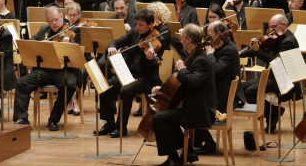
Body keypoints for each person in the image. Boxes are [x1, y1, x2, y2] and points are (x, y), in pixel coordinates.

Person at [95, 9, 166, 138]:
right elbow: (116, 41)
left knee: (126, 90)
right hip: (127, 74)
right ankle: (109, 123)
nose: (137, 27)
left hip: (144, 78)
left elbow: (157, 65)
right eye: (137, 23)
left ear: (150, 24)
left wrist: (151, 59)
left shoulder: (159, 39)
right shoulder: (134, 32)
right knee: (105, 86)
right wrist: (112, 46)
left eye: (141, 25)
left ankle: (121, 126)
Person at [152, 23, 216, 166]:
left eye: (182, 38)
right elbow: (184, 84)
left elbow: (193, 82)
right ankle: (188, 153)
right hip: (192, 105)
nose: (180, 41)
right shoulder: (194, 56)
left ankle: (174, 158)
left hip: (200, 110)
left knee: (160, 119)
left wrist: (181, 70)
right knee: (166, 116)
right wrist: (163, 89)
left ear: (188, 40)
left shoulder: (201, 60)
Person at [13, 6, 82, 131]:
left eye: (56, 19)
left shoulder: (74, 30)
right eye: (51, 21)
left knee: (69, 85)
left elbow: (79, 52)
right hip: (45, 70)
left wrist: (71, 43)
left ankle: (53, 119)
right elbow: (33, 41)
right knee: (21, 83)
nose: (54, 23)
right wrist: (30, 44)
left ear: (62, 17)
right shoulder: (43, 30)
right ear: (47, 21)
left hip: (64, 70)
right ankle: (22, 118)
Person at [240, 14, 302, 132]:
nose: (271, 30)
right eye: (270, 27)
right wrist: (239, 53)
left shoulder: (289, 41)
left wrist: (259, 51)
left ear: (283, 25)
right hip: (273, 77)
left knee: (250, 92)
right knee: (242, 87)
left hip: (284, 81)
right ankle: (273, 111)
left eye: (274, 27)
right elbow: (258, 51)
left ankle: (272, 114)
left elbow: (275, 62)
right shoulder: (277, 37)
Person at [195, 21, 245, 155]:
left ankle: (208, 143)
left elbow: (216, 70)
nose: (207, 37)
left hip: (226, 96)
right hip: (220, 90)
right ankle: (197, 141)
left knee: (194, 106)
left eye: (209, 34)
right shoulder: (219, 45)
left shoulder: (229, 49)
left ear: (218, 33)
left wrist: (210, 54)